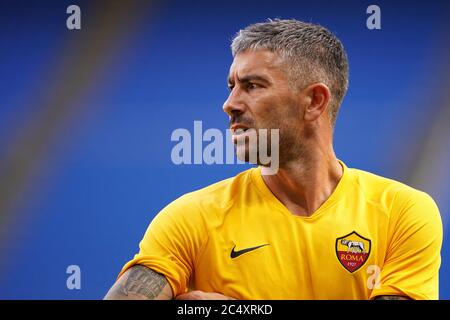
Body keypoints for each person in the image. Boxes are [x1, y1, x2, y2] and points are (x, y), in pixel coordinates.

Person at [104, 19, 442, 300]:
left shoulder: (401, 212)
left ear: (314, 101)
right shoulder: (193, 218)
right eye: (231, 85)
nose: (230, 104)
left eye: (252, 85)